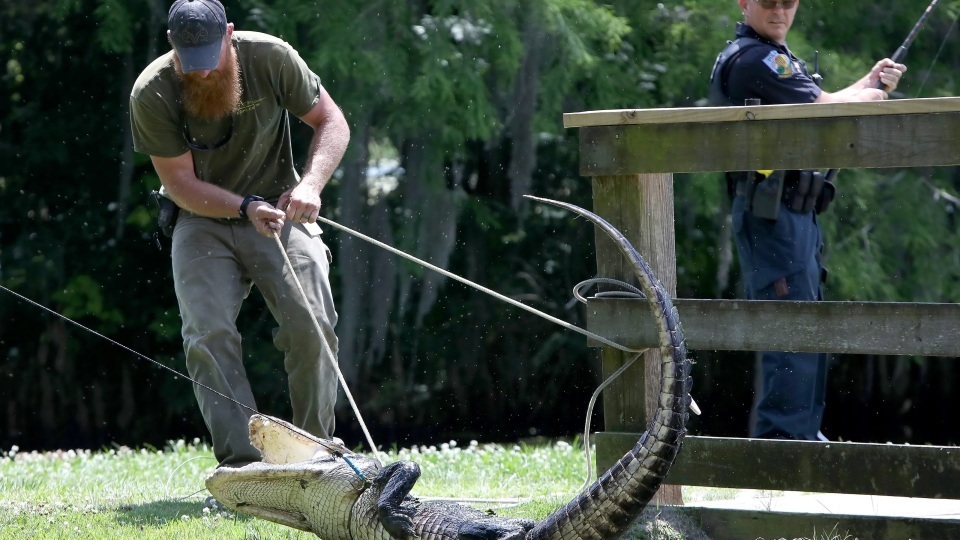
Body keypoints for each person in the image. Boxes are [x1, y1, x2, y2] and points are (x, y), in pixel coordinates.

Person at [129, 0, 350, 467]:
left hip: (280, 212)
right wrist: (244, 206)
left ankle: (315, 460)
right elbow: (180, 184)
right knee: (207, 333)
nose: (204, 74)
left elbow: (332, 121)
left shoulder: (270, 57)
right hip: (201, 218)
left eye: (212, 59)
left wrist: (309, 185)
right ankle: (243, 465)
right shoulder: (152, 91)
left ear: (229, 34)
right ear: (173, 46)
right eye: (193, 64)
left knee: (312, 323)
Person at [709, 0, 906, 440]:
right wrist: (871, 95)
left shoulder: (770, 56)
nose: (779, 11)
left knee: (807, 327)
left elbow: (823, 102)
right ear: (744, 3)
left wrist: (869, 83)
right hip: (772, 214)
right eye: (768, 2)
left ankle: (802, 437)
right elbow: (827, 107)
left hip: (792, 214)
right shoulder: (757, 59)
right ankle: (782, 445)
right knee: (791, 327)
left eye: (788, 2)